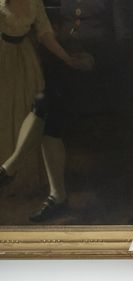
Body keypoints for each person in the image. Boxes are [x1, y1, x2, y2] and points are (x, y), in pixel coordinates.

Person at [0, 0, 92, 195]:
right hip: (2, 58)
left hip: (24, 60)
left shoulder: (34, 2)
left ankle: (15, 173)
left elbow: (44, 33)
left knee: (30, 109)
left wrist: (66, 58)